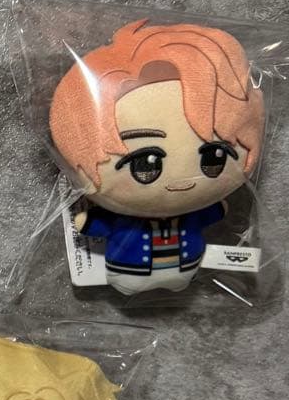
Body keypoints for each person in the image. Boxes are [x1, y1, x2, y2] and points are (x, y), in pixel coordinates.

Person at [50, 20, 265, 294]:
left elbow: (214, 212)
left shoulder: (194, 213)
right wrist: (89, 221)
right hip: (129, 271)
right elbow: (97, 224)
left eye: (214, 158)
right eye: (145, 164)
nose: (183, 178)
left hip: (186, 268)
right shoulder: (128, 220)